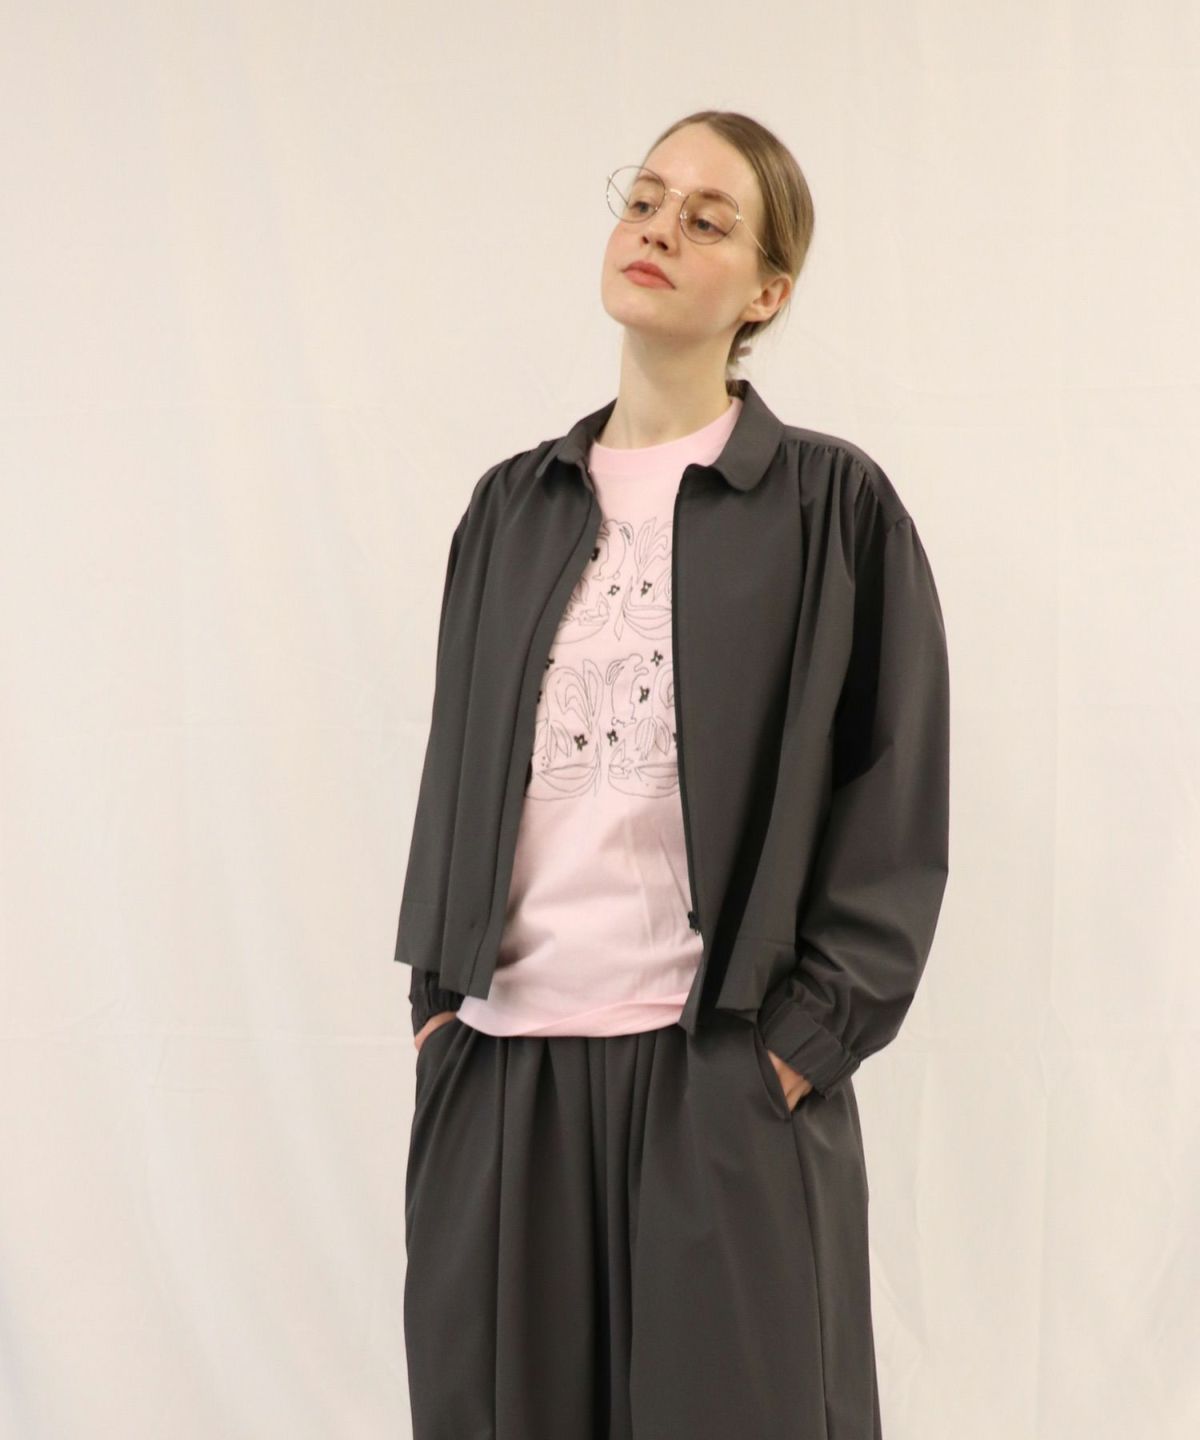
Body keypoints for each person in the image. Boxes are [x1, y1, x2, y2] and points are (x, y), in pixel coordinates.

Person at [399, 109, 950, 1439]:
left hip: (718, 1082)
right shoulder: (510, 507)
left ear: (767, 292)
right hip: (505, 1078)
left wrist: (801, 1050)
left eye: (708, 219)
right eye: (645, 200)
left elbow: (894, 796)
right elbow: (453, 768)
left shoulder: (832, 508)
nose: (658, 230)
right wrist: (436, 1014)